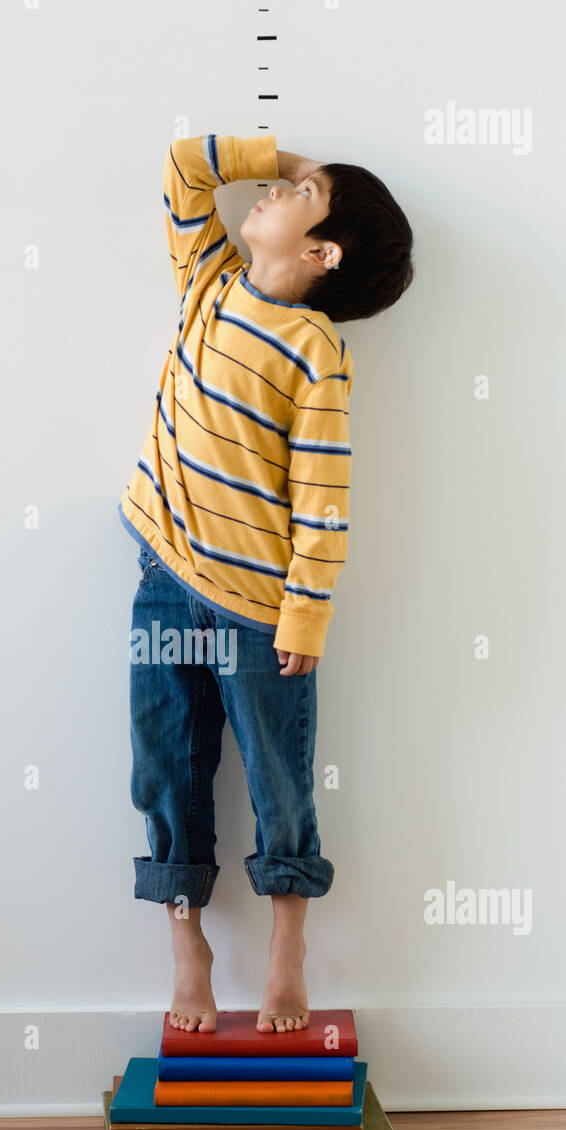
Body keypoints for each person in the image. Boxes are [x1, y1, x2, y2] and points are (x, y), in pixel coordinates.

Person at [118, 132, 413, 1034]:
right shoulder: (206, 283)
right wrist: (290, 164)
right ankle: (187, 944)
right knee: (166, 768)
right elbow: (182, 166)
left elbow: (323, 498)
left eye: (299, 197)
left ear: (321, 254)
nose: (272, 195)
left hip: (258, 611)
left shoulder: (315, 351)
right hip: (163, 576)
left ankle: (288, 947)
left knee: (279, 780)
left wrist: (305, 617)